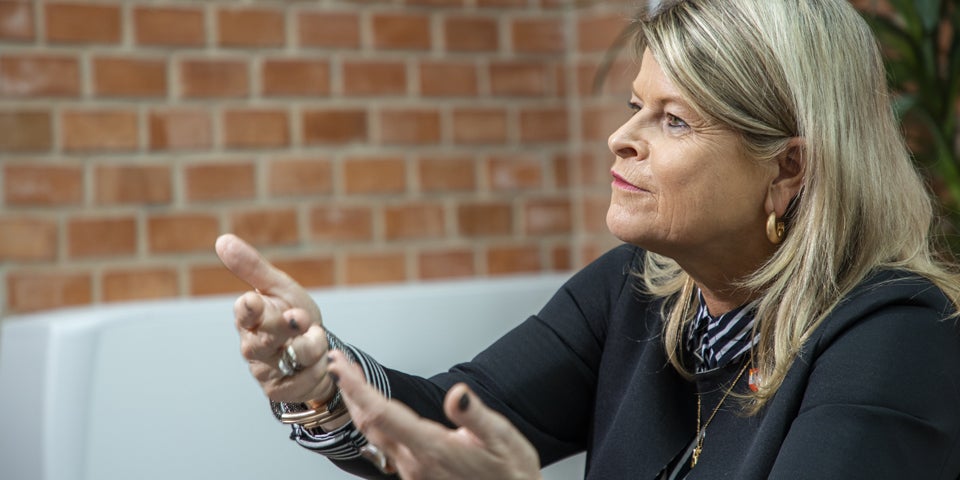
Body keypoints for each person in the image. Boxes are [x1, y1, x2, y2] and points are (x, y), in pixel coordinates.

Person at [215, 0, 960, 478]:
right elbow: (451, 416)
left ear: (788, 169)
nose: (620, 137)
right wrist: (321, 384)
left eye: (674, 120)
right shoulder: (639, 288)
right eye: (635, 105)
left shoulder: (898, 337)